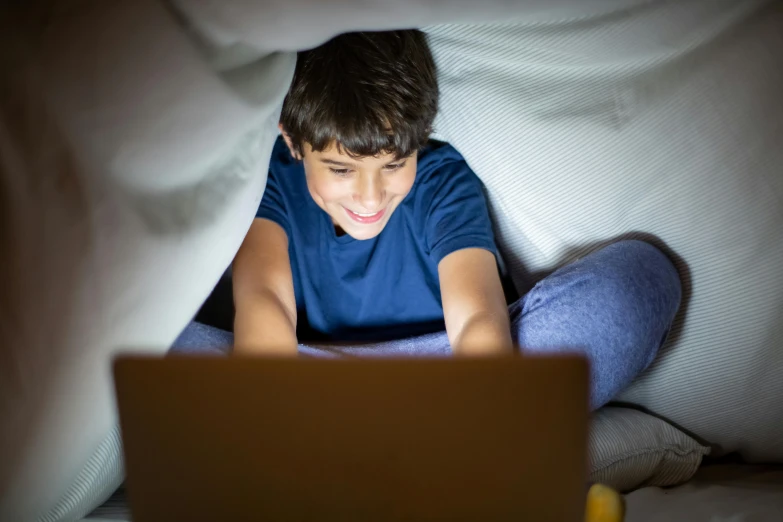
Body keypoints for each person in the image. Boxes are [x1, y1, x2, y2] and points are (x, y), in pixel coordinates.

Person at [174, 30, 682, 409]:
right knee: (161, 344)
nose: (369, 196)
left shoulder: (441, 179)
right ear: (292, 141)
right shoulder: (275, 180)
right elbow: (264, 304)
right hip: (305, 379)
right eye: (340, 169)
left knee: (636, 284)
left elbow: (478, 319)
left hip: (449, 378)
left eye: (394, 164)